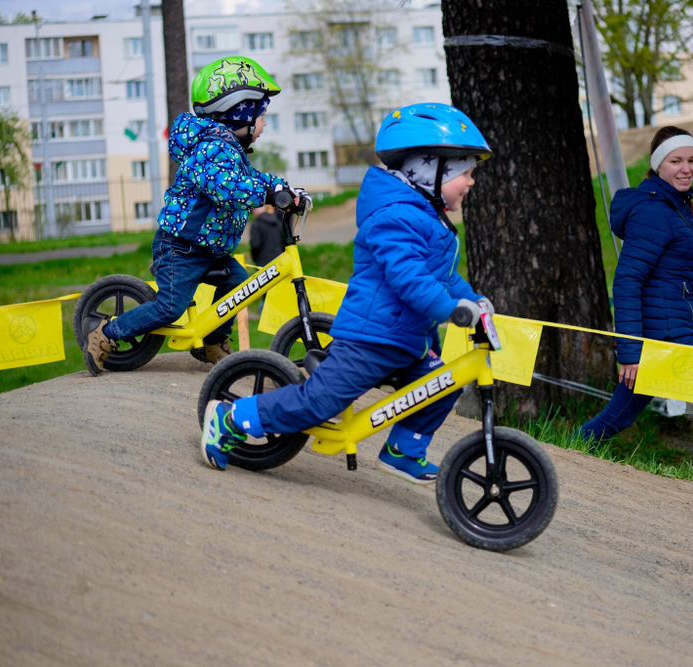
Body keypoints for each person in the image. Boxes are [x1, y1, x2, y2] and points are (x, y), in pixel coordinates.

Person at [201, 102, 493, 485]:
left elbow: (444, 277)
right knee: (320, 402)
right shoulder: (395, 217)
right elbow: (408, 278)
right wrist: (450, 310)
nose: (471, 182)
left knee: (441, 384)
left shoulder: (428, 219)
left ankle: (404, 451)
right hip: (370, 339)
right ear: (428, 170)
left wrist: (473, 299)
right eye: (465, 173)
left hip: (405, 343)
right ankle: (232, 418)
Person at [82, 56, 309, 374]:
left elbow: (249, 179)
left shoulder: (228, 150)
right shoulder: (210, 149)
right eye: (262, 115)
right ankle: (107, 333)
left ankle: (213, 341)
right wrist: (269, 195)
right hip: (181, 248)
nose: (265, 124)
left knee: (238, 284)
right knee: (170, 308)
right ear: (239, 112)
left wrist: (283, 189)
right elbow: (226, 187)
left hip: (208, 249)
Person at [580, 126, 693, 479]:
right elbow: (627, 281)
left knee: (616, 418)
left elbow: (677, 271)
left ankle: (564, 455)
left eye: (692, 160)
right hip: (663, 334)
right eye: (676, 161)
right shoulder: (655, 211)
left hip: (671, 326)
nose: (686, 168)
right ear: (658, 165)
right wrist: (629, 352)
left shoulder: (679, 205)